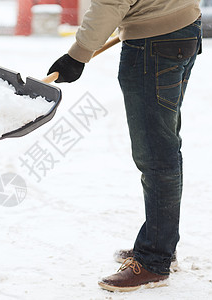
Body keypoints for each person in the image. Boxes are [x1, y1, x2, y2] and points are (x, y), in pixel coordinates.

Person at [47, 0, 202, 293]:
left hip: (154, 45)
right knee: (165, 143)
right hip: (184, 29)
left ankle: (155, 260)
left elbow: (111, 2)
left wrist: (77, 55)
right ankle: (162, 245)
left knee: (156, 152)